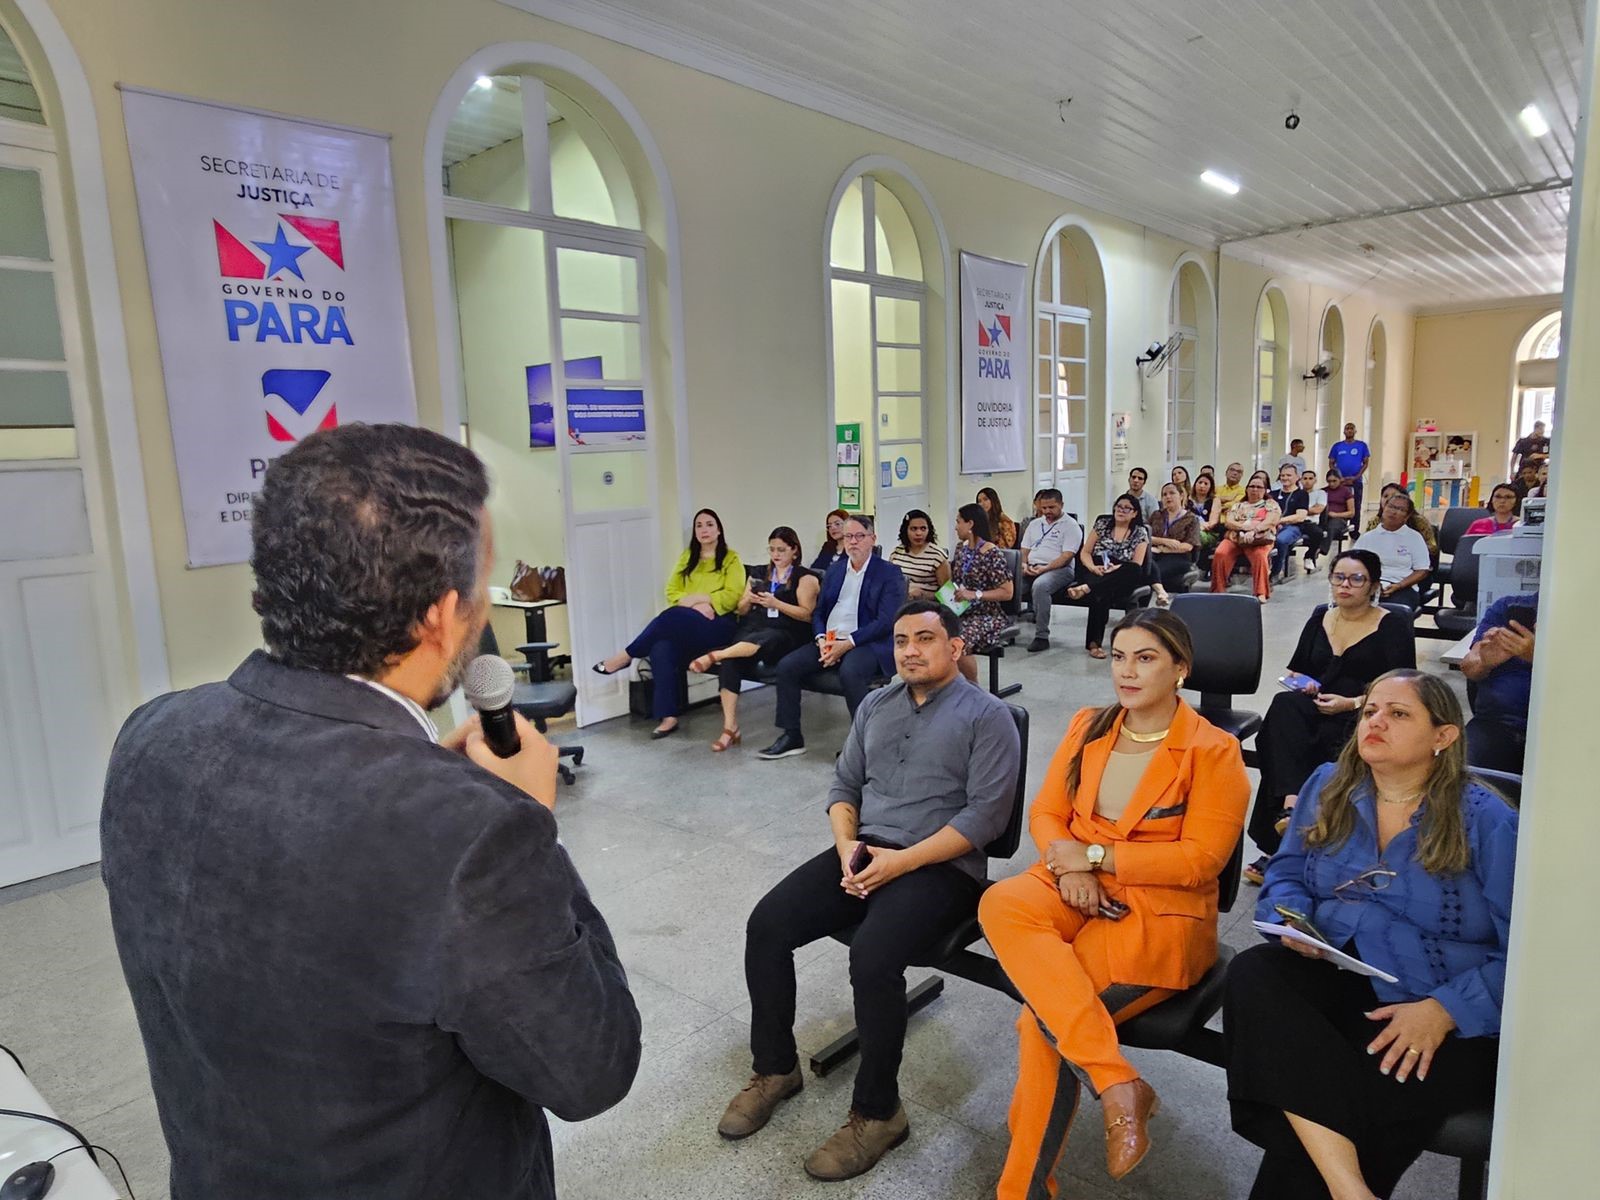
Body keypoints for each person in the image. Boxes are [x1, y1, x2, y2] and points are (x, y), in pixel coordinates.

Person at [100, 424, 641, 1200]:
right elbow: (592, 1067)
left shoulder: (151, 738)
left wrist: (437, 793)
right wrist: (522, 820)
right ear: (439, 616)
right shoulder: (469, 835)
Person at [723, 601, 1021, 1180]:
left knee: (873, 955)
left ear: (955, 648)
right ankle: (776, 1068)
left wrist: (900, 862)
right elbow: (843, 785)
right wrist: (846, 849)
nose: (910, 650)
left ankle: (880, 1112)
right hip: (866, 851)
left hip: (943, 866)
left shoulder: (989, 718)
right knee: (767, 925)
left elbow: (985, 819)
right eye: (903, 639)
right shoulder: (878, 704)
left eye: (926, 639)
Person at [979, 610, 1249, 1194]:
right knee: (1000, 904)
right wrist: (1066, 862)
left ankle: (1021, 1188)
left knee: (1042, 1023)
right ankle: (1118, 1081)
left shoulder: (1214, 751)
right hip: (1070, 884)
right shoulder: (1089, 725)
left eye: (1146, 658)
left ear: (1180, 668)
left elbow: (1200, 860)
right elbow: (1048, 814)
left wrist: (1093, 859)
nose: (1127, 672)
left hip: (1152, 912)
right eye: (1120, 656)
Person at [1226, 670, 1516, 1200]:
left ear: (1443, 737)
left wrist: (1445, 1009)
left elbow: (1531, 952)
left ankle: (1344, 1185)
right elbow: (1286, 873)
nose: (1375, 722)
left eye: (1398, 714)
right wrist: (1292, 918)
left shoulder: (1486, 821)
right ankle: (1350, 1188)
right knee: (1252, 973)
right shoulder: (1330, 784)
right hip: (1343, 972)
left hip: (1440, 1012)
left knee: (1344, 1094)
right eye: (1371, 710)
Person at [1242, 550, 1415, 886]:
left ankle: (1290, 838)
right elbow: (1296, 669)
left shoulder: (1391, 624)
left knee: (1303, 742)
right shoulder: (1321, 615)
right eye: (1339, 577)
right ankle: (1290, 811)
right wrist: (1303, 684)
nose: (1345, 586)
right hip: (1317, 704)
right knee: (1284, 708)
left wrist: (1350, 704)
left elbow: (1402, 689)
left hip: (1363, 713)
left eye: (1356, 579)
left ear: (1373, 585)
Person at [759, 515, 907, 760]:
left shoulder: (888, 573)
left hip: (866, 642)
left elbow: (885, 621)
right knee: (787, 666)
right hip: (829, 640)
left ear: (872, 539)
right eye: (849, 536)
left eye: (860, 536)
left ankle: (863, 745)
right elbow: (819, 611)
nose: (853, 542)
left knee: (850, 671)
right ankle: (792, 735)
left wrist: (846, 644)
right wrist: (820, 639)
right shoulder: (836, 570)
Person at [594, 508, 745, 737]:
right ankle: (668, 716)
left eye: (709, 524)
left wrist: (702, 600)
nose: (704, 530)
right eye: (699, 525)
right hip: (689, 621)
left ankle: (626, 656)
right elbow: (672, 590)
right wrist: (695, 606)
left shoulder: (731, 559)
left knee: (670, 616)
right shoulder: (687, 557)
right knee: (661, 647)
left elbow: (733, 595)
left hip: (720, 624)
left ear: (719, 529)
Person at [690, 527, 820, 752]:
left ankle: (716, 655)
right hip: (755, 627)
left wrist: (776, 604)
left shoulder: (805, 577)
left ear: (794, 551)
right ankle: (730, 727)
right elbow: (741, 609)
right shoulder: (760, 573)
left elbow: (807, 614)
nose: (776, 555)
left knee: (767, 638)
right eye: (772, 549)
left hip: (787, 631)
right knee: (732, 662)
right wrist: (748, 599)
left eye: (781, 550)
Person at [1459, 592, 1538, 773]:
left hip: (1566, 726)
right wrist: (1485, 662)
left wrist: (1538, 657)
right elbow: (1469, 668)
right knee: (1455, 776)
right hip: (1496, 722)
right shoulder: (1507, 607)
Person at [1068, 493, 1153, 658]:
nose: (1121, 511)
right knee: (1101, 593)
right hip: (1097, 568)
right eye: (1119, 506)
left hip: (1122, 572)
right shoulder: (1102, 524)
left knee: (1133, 569)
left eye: (1127, 508)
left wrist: (1115, 569)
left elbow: (1138, 562)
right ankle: (1094, 644)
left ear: (1135, 513)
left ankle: (1086, 589)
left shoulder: (1140, 532)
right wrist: (1092, 567)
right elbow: (1085, 552)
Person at [947, 502, 1015, 684]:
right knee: (936, 633)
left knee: (959, 640)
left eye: (958, 521)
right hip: (961, 610)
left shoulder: (992, 553)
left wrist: (975, 594)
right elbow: (957, 581)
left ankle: (972, 687)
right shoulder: (961, 549)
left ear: (970, 524)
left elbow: (1007, 592)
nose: (956, 527)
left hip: (987, 614)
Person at [1021, 488, 1086, 653]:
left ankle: (1042, 636)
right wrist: (1023, 565)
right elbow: (1025, 549)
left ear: (1061, 505)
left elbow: (1066, 556)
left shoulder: (1071, 526)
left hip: (1059, 569)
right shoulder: (1035, 524)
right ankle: (1004, 628)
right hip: (1031, 567)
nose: (1047, 512)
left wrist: (1045, 568)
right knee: (1009, 583)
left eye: (1052, 507)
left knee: (1041, 586)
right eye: (1044, 508)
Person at [1210, 472, 1281, 603]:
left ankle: (1261, 593)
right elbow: (1229, 522)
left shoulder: (1270, 504)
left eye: (1259, 487)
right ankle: (1217, 590)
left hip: (1260, 539)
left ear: (1265, 490)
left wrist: (1255, 530)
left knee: (1260, 556)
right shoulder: (1238, 505)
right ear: (1247, 489)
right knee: (1220, 553)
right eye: (1252, 486)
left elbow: (1271, 520)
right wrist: (1244, 528)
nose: (1255, 489)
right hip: (1236, 537)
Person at [1355, 493, 1432, 609]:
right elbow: (1353, 565)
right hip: (1370, 586)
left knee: (1394, 612)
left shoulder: (1414, 538)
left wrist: (1399, 585)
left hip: (1403, 587)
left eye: (1401, 509)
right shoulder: (1368, 537)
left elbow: (1422, 570)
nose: (1394, 512)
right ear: (1383, 508)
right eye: (1391, 507)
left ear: (1407, 516)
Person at [1147, 482, 1201, 607]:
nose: (1167, 497)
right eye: (1164, 494)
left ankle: (1159, 597)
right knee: (1143, 566)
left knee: (1152, 570)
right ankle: (1153, 601)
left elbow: (1188, 546)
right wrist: (1166, 542)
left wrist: (1164, 550)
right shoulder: (1157, 515)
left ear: (1181, 496)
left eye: (1172, 493)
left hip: (1180, 557)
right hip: (1155, 553)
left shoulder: (1191, 518)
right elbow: (1146, 535)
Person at [1361, 483, 1439, 567]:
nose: (1388, 499)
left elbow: (1432, 548)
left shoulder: (1418, 521)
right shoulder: (1374, 522)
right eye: (1385, 496)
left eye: (1394, 496)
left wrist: (1406, 552)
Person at [888, 508, 949, 600]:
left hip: (926, 607)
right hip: (899, 604)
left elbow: (948, 595)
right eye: (913, 529)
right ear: (906, 530)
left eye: (923, 528)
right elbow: (889, 581)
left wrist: (923, 594)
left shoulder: (937, 556)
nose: (919, 533)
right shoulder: (897, 552)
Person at [1267, 463, 1313, 584]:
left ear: (1297, 477)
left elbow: (1300, 516)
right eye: (1282, 475)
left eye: (1288, 475)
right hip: (1272, 526)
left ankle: (1275, 572)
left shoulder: (1302, 494)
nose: (1285, 478)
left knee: (1281, 540)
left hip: (1293, 527)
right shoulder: (1273, 494)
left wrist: (1280, 521)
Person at [1329, 422, 1372, 519]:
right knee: (1340, 504)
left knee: (1356, 505)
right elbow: (1331, 463)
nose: (1349, 430)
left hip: (1356, 480)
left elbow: (1365, 463)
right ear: (1344, 431)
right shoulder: (1337, 446)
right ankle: (1341, 526)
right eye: (1347, 428)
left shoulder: (1362, 446)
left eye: (1351, 428)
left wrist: (1356, 477)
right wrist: (1339, 477)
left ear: (1355, 431)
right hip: (1340, 481)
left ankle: (1355, 531)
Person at [1298, 468, 1330, 571]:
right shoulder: (1297, 493)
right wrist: (1310, 509)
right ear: (1300, 480)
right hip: (1296, 521)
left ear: (1315, 480)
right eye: (1305, 478)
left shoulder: (1320, 493)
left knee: (1318, 533)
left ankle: (1309, 556)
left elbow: (1319, 509)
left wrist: (1301, 509)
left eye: (1310, 478)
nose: (1307, 481)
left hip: (1310, 523)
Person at [1321, 468, 1356, 549]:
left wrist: (1336, 515)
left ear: (1340, 480)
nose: (1331, 484)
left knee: (1331, 526)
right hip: (1324, 518)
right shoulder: (1323, 491)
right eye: (1329, 481)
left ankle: (1322, 549)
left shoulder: (1346, 491)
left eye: (1334, 481)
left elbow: (1351, 513)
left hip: (1340, 519)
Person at [812, 508, 850, 572]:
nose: (833, 528)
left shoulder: (855, 547)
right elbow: (816, 568)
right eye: (829, 526)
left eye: (837, 524)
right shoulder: (828, 546)